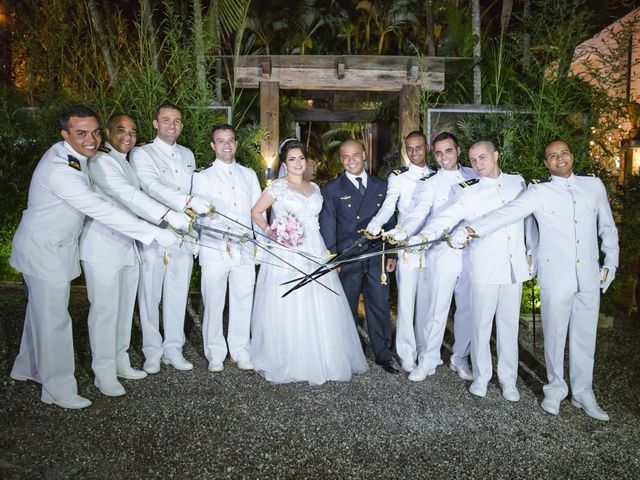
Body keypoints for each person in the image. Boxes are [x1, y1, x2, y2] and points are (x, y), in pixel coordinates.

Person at [9, 106, 177, 409]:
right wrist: (153, 232)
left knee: (40, 315)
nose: (91, 139)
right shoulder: (62, 169)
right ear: (65, 134)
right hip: (44, 250)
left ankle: (27, 367)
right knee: (54, 321)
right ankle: (57, 389)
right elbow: (99, 206)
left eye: (95, 132)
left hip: (53, 247)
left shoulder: (76, 157)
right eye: (81, 133)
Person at [465, 140, 618, 420]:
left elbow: (608, 228)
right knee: (555, 337)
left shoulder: (594, 186)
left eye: (563, 153)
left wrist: (611, 262)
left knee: (585, 338)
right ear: (546, 164)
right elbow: (507, 214)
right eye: (552, 156)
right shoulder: (537, 191)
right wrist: (473, 228)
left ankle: (584, 393)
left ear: (572, 156)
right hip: (555, 277)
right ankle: (555, 389)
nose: (559, 159)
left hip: (588, 276)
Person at [404, 140, 534, 400]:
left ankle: (509, 381)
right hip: (484, 267)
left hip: (513, 267)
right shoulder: (469, 190)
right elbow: (446, 217)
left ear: (496, 155)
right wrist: (424, 235)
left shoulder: (517, 182)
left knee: (508, 328)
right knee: (480, 327)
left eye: (483, 158)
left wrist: (532, 253)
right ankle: (482, 377)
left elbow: (528, 220)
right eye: (474, 161)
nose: (478, 165)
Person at [79, 114, 192, 397]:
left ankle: (120, 360)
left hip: (127, 246)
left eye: (132, 131)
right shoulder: (101, 161)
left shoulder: (122, 160)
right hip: (103, 247)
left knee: (122, 312)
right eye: (121, 131)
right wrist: (166, 218)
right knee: (105, 313)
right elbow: (129, 196)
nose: (127, 136)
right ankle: (103, 373)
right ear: (107, 132)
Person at [249, 139, 368, 384]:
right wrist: (271, 231)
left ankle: (322, 357)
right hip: (287, 252)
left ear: (307, 161)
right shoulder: (276, 188)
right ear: (284, 163)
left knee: (320, 301)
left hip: (314, 248)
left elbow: (320, 222)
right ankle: (290, 357)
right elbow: (256, 212)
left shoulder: (314, 188)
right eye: (292, 159)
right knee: (291, 302)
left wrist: (328, 254)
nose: (297, 163)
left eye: (301, 158)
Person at [130, 103, 212, 374]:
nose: (172, 126)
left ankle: (173, 349)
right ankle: (152, 351)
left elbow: (195, 188)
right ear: (155, 123)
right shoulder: (142, 153)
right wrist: (188, 201)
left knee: (178, 295)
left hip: (184, 236)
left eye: (177, 121)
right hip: (155, 234)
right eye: (166, 120)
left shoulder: (187, 154)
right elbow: (151, 186)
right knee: (150, 296)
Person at [388, 132, 475, 382]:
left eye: (448, 151)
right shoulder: (430, 182)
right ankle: (429, 358)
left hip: (472, 255)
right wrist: (404, 231)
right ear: (433, 154)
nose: (443, 157)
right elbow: (419, 213)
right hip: (443, 254)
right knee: (437, 310)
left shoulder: (474, 175)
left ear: (458, 150)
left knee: (466, 310)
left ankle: (460, 357)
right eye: (438, 153)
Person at [319, 139, 400, 374]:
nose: (351, 160)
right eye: (345, 156)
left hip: (376, 256)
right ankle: (350, 352)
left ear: (364, 155)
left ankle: (383, 354)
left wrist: (391, 252)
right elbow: (328, 224)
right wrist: (333, 257)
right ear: (341, 159)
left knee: (379, 305)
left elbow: (390, 221)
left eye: (355, 155)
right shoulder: (332, 189)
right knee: (348, 307)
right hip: (348, 258)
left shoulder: (381, 186)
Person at [191, 124, 261, 373]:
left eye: (230, 140)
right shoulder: (202, 176)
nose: (227, 145)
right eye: (220, 141)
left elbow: (257, 213)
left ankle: (241, 350)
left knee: (244, 300)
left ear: (236, 143)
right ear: (213, 145)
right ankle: (215, 352)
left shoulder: (248, 174)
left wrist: (259, 245)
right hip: (214, 249)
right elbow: (200, 215)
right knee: (214, 301)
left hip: (243, 249)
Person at [364, 131, 435, 373]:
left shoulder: (437, 176)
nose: (414, 153)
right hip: (407, 248)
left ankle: (427, 351)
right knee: (405, 301)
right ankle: (406, 352)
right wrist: (375, 223)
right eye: (410, 149)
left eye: (418, 147)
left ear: (426, 147)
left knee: (429, 303)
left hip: (433, 248)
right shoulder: (398, 178)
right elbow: (388, 206)